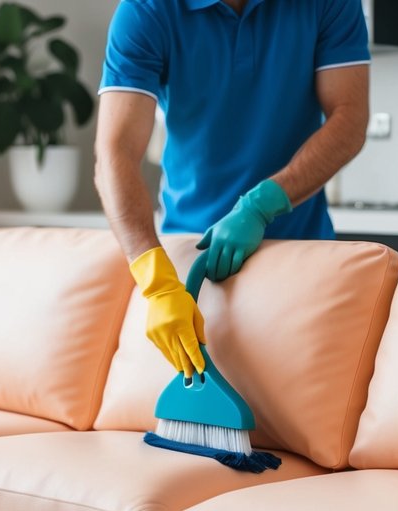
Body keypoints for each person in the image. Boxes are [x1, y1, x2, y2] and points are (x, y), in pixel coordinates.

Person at [94, 0, 370, 378]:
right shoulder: (147, 9)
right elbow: (115, 153)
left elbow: (350, 118)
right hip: (189, 257)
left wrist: (261, 205)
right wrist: (156, 280)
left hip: (300, 254)